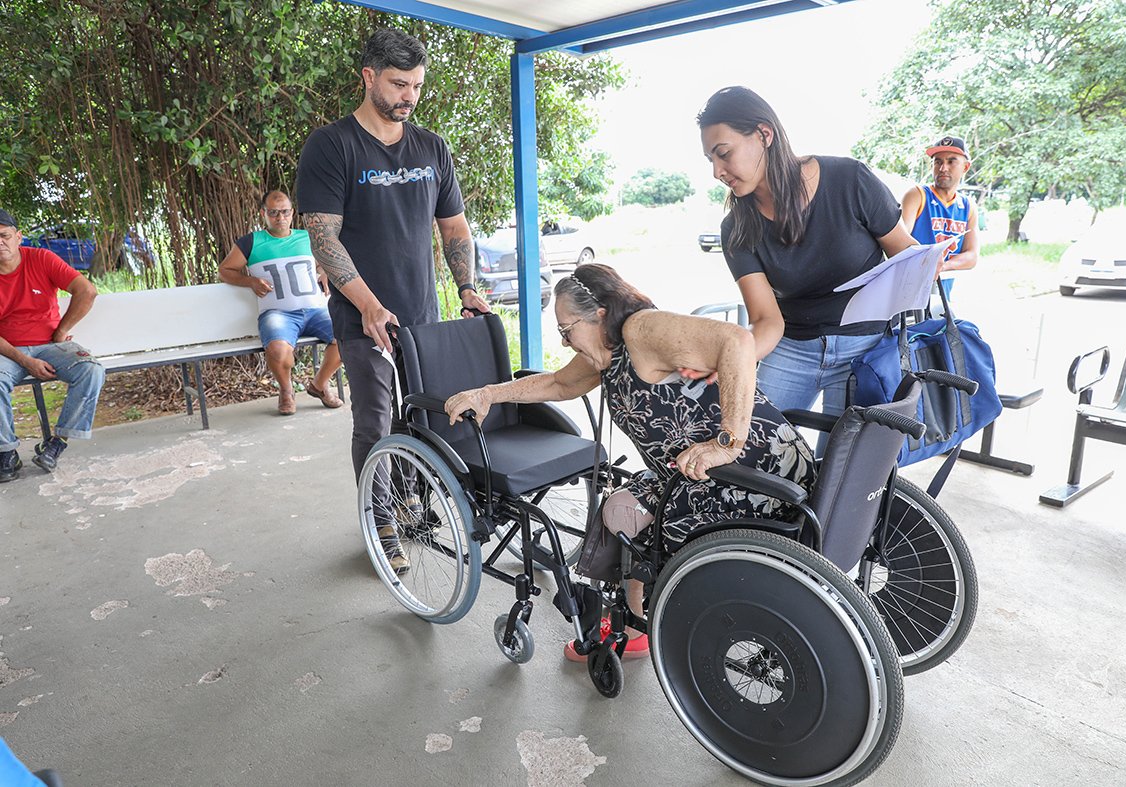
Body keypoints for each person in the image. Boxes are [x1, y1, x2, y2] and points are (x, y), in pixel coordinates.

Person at [444, 263, 816, 661]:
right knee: (621, 509)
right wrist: (487, 394)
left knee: (648, 522)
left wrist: (727, 442)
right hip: (691, 475)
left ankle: (677, 619)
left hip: (750, 473)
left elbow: (738, 342)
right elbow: (559, 383)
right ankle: (634, 624)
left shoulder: (641, 330)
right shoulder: (608, 352)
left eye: (567, 330)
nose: (566, 343)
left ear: (599, 314)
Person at [296, 27, 488, 572]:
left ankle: (412, 503)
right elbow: (323, 237)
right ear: (369, 77)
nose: (409, 96)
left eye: (418, 86)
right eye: (399, 83)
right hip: (363, 318)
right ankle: (380, 520)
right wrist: (368, 304)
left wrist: (467, 288)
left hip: (422, 314)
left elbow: (454, 229)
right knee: (375, 423)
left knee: (425, 418)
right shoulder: (332, 145)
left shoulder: (432, 148)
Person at [696, 86, 918, 421]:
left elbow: (905, 253)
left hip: (866, 347)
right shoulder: (737, 228)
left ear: (763, 134)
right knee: (752, 443)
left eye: (723, 153)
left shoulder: (850, 179)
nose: (716, 171)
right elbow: (767, 321)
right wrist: (732, 360)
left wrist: (928, 262)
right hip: (791, 348)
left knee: (844, 468)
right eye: (710, 159)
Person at [0, 208, 106, 481]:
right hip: (7, 351)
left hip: (50, 345)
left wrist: (62, 330)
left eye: (5, 236)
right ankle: (6, 452)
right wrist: (26, 361)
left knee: (91, 369)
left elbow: (87, 290)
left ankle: (56, 443)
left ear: (18, 237)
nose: (0, 243)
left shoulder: (42, 259)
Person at [219, 189, 343, 415]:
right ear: (263, 213)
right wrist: (250, 281)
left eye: (285, 212)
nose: (280, 218)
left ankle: (319, 384)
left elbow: (321, 264)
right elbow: (225, 271)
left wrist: (324, 270)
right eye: (274, 213)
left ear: (292, 212)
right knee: (277, 350)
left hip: (316, 310)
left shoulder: (307, 237)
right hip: (279, 314)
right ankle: (286, 391)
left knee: (348, 335)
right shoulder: (251, 242)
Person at [901, 135, 979, 303]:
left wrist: (943, 266)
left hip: (942, 297)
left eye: (951, 161)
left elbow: (972, 256)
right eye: (937, 162)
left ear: (966, 167)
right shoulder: (917, 195)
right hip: (908, 295)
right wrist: (926, 262)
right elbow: (899, 239)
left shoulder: (967, 206)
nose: (943, 168)